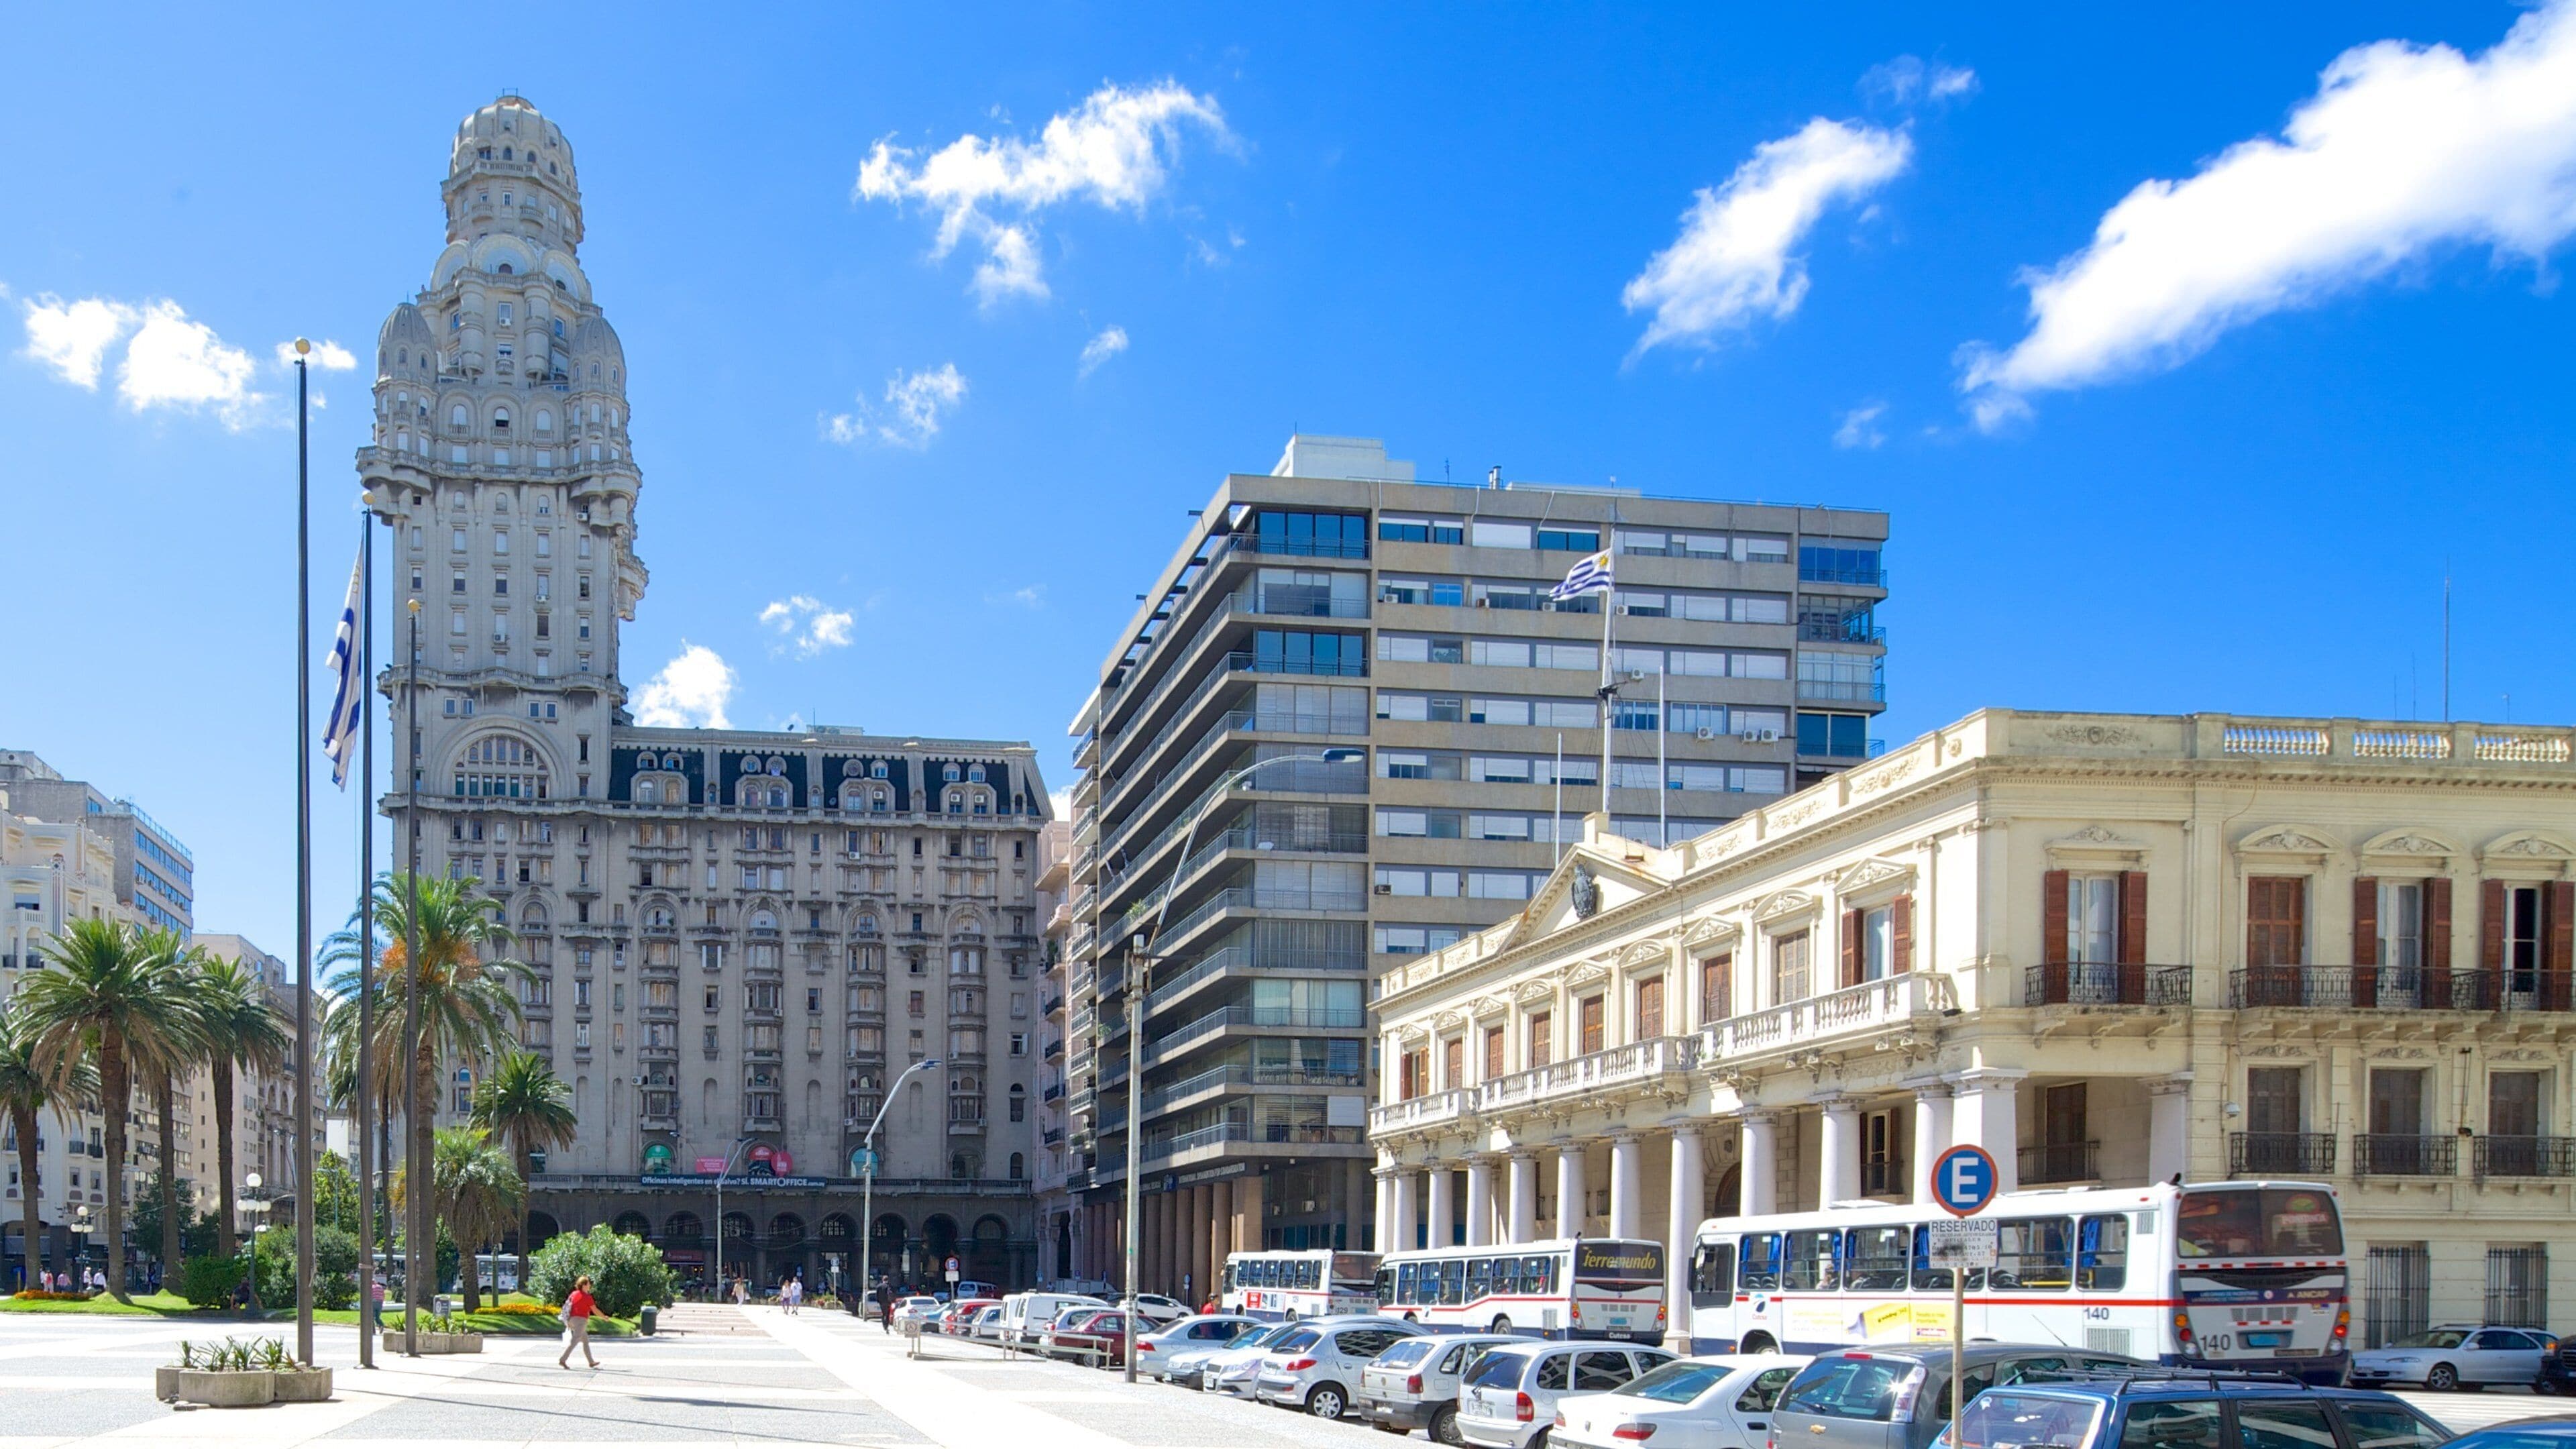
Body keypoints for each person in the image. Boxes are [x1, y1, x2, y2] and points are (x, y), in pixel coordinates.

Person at [557, 1274, 600, 1369]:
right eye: (588, 1284)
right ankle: (563, 1360)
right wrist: (604, 1317)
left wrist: (567, 1321)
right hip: (581, 1321)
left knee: (585, 1340)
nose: (590, 1286)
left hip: (571, 1320)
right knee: (575, 1341)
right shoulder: (587, 1297)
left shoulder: (574, 1294)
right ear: (584, 1285)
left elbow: (568, 1306)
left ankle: (591, 1362)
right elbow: (595, 1310)